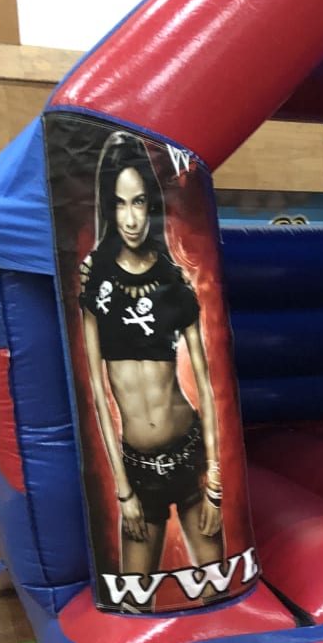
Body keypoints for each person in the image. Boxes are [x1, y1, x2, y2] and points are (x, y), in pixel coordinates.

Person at [79, 131, 223, 607]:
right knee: (133, 600)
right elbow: (99, 394)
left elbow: (206, 385)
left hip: (189, 455)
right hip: (137, 467)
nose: (131, 218)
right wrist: (123, 490)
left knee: (219, 589)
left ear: (152, 205)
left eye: (139, 201)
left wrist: (215, 479)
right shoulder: (94, 282)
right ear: (108, 207)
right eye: (120, 204)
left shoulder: (173, 281)